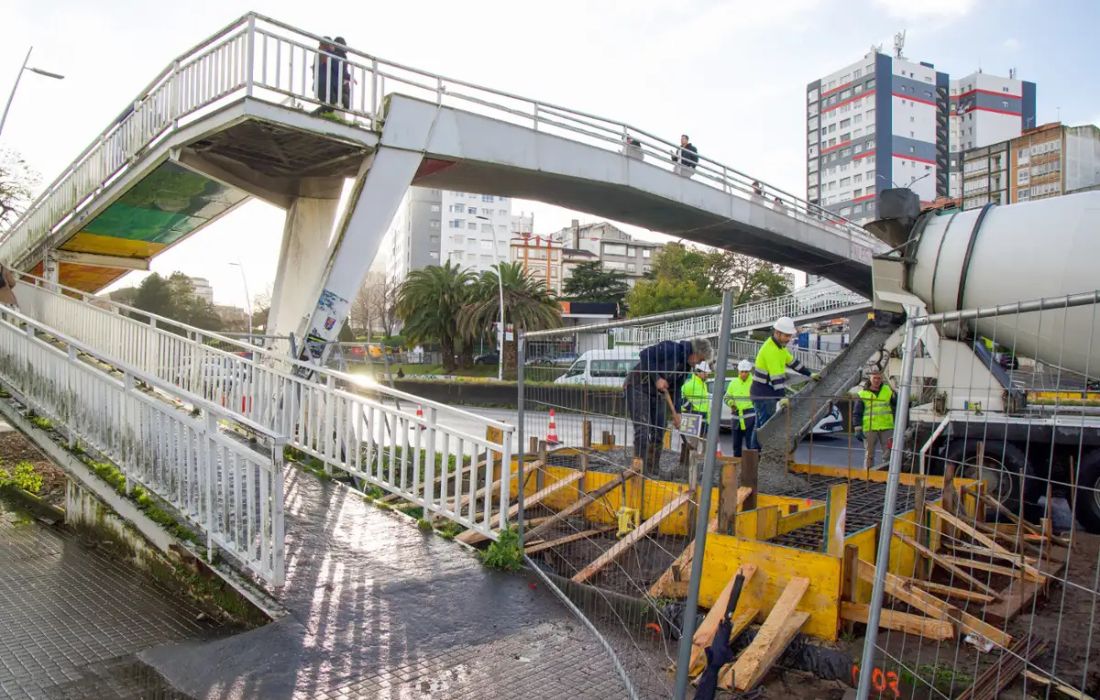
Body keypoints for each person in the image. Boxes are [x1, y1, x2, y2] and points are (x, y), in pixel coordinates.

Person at [624, 337, 713, 473]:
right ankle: (639, 469)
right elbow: (644, 355)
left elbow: (676, 390)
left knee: (659, 429)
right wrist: (657, 378)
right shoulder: (671, 349)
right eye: (700, 360)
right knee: (643, 428)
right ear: (695, 352)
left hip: (657, 392)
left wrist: (676, 413)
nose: (698, 364)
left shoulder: (685, 367)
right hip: (638, 386)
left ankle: (653, 468)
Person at [750, 316, 817, 439]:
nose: (788, 339)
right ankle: (758, 453)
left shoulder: (779, 348)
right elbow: (776, 378)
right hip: (764, 393)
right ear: (777, 333)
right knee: (766, 427)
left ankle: (754, 453)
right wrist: (782, 397)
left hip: (763, 392)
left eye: (789, 336)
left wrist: (809, 374)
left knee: (761, 426)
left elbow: (792, 362)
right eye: (786, 336)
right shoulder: (771, 350)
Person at [853, 368, 897, 469]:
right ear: (870, 378)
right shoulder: (862, 394)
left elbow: (896, 404)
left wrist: (896, 393)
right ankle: (867, 476)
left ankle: (887, 476)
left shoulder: (888, 390)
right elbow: (857, 412)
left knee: (888, 454)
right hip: (870, 428)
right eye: (874, 378)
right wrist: (857, 428)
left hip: (886, 428)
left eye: (879, 378)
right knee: (869, 455)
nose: (877, 380)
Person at [724, 359, 756, 457]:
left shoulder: (754, 383)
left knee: (751, 446)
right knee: (736, 446)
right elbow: (726, 397)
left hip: (750, 418)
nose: (744, 374)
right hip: (736, 418)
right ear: (738, 371)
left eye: (746, 372)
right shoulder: (733, 383)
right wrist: (731, 404)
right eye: (742, 371)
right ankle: (736, 466)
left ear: (749, 371)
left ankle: (752, 467)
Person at [681, 361, 712, 434]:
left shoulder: (703, 384)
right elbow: (679, 395)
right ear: (698, 372)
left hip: (704, 419)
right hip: (694, 419)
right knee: (693, 443)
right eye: (705, 372)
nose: (707, 375)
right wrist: (689, 407)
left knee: (704, 443)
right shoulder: (691, 384)